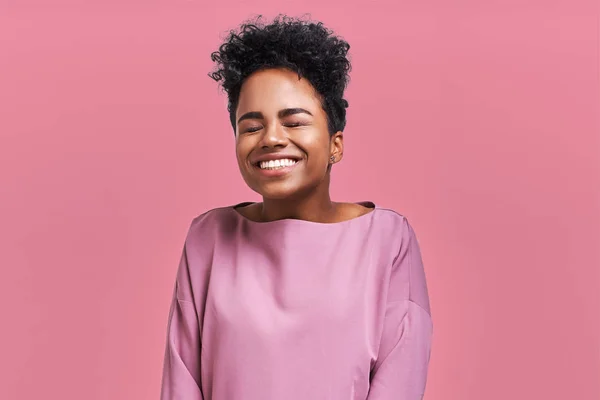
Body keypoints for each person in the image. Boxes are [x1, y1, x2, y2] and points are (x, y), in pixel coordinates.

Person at [160, 14, 433, 400]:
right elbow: (182, 382)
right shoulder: (208, 237)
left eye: (294, 121)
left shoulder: (388, 240)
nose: (271, 138)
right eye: (251, 126)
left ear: (335, 144)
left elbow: (400, 378)